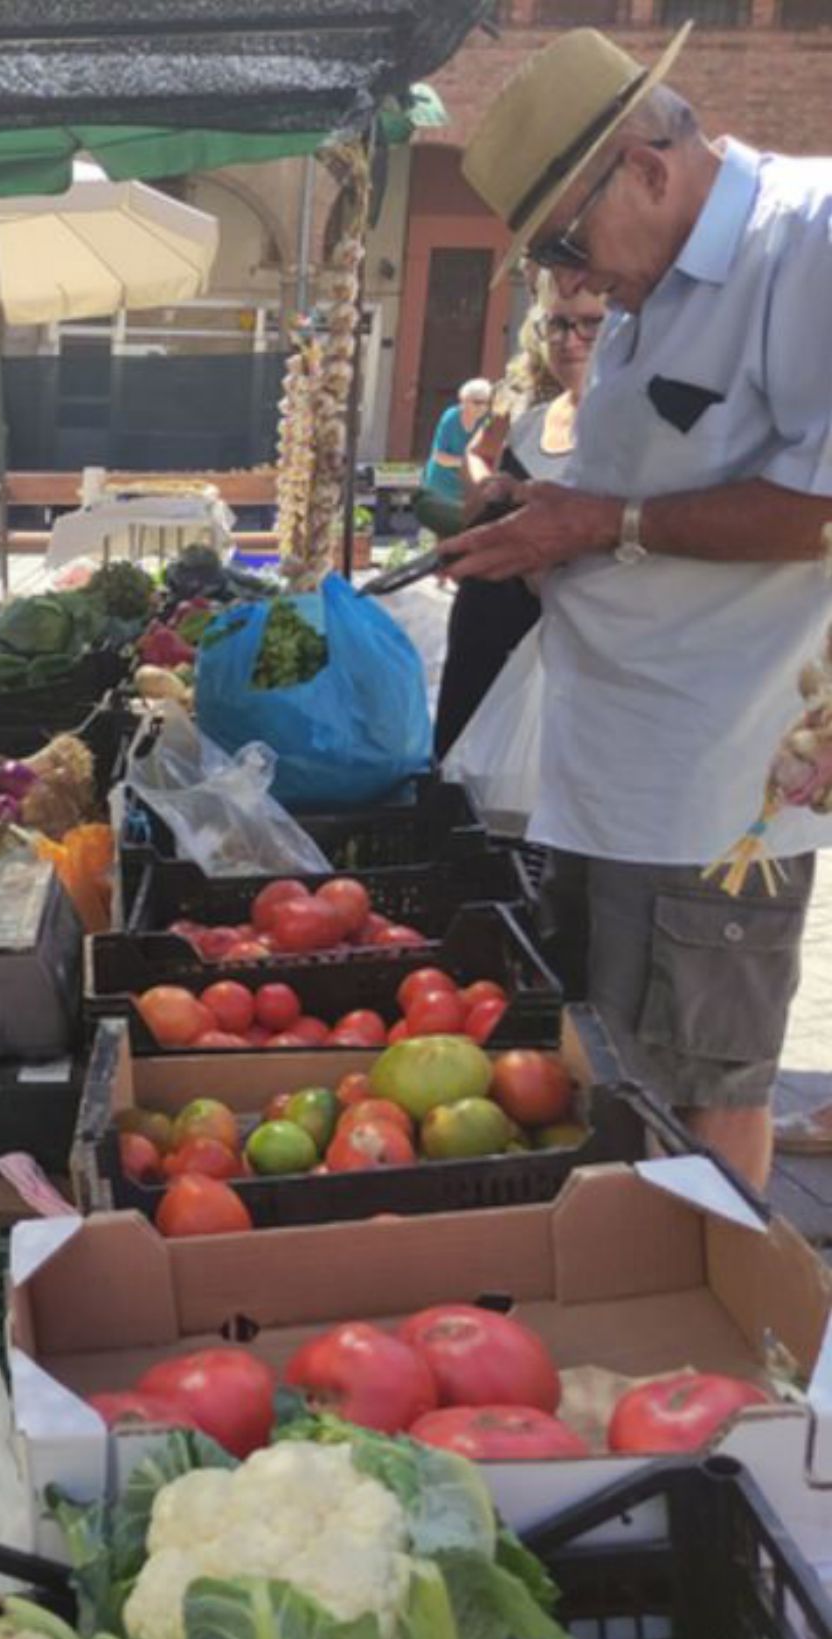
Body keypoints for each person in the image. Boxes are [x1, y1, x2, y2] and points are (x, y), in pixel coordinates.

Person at [446, 24, 832, 1191]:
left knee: (706, 1087)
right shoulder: (651, 280)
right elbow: (657, 484)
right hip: (611, 766)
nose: (567, 283)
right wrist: (544, 513)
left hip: (715, 790)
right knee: (612, 1071)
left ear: (648, 168)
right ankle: (633, 1298)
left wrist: (598, 526)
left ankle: (716, 1339)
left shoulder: (803, 242)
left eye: (565, 242)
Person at [433, 277, 606, 758]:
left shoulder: (624, 436)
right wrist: (490, 491)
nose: (570, 339)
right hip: (482, 646)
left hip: (554, 666)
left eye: (591, 324)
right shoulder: (529, 421)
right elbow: (479, 456)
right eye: (558, 324)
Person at [420, 378, 492, 512]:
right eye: (477, 402)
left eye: (487, 403)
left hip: (468, 488)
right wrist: (469, 462)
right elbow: (440, 457)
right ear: (464, 401)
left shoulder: (487, 420)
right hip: (441, 484)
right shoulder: (451, 418)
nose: (483, 407)